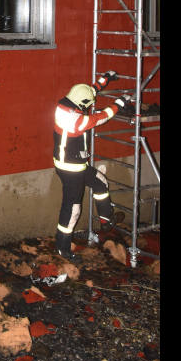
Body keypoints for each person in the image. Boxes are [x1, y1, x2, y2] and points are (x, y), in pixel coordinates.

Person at [52, 73, 134, 259]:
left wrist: (105, 79)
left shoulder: (67, 102)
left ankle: (106, 221)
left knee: (100, 182)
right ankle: (62, 248)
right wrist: (119, 103)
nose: (89, 106)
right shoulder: (74, 120)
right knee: (72, 210)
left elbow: (89, 91)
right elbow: (101, 117)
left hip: (77, 165)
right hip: (70, 169)